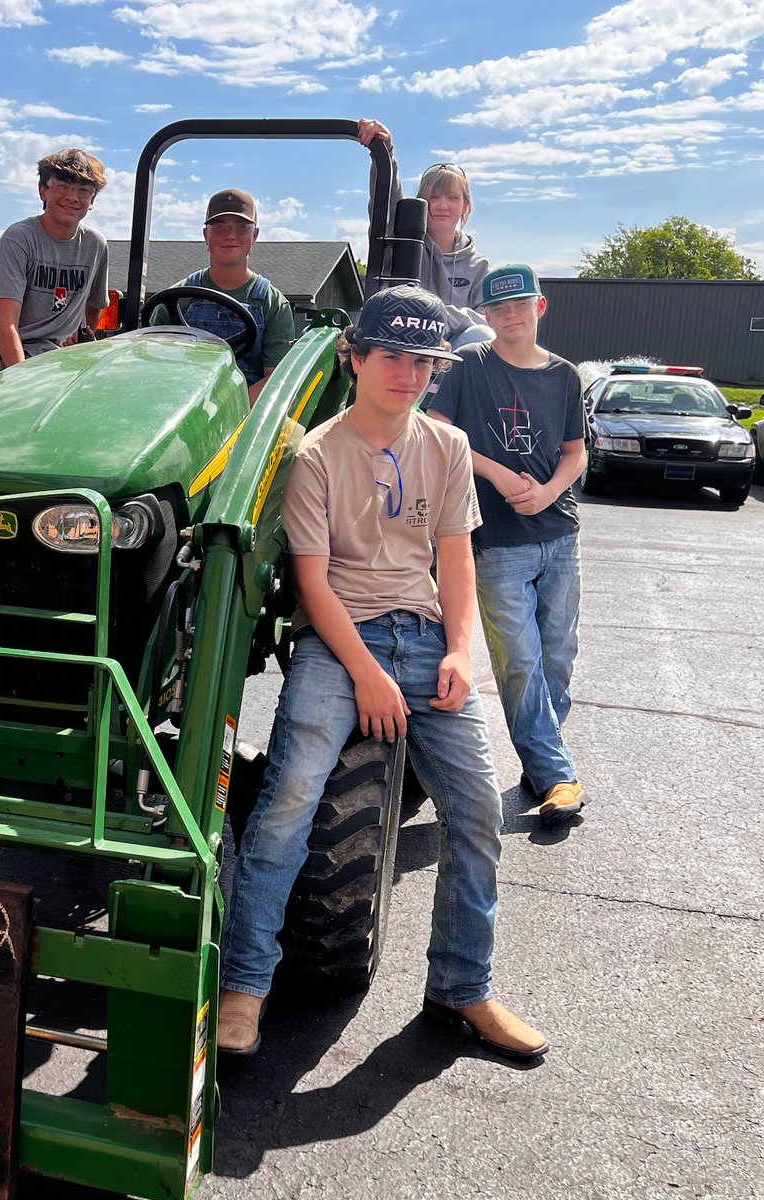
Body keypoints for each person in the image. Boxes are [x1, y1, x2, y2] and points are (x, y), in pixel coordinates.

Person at [218, 282, 548, 1063]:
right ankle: (244, 985)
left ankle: (462, 988)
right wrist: (366, 673)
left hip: (425, 636)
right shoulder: (315, 453)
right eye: (393, 356)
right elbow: (311, 580)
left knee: (478, 811)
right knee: (289, 800)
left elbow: (455, 560)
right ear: (356, 358)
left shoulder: (448, 447)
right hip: (340, 642)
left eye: (423, 361)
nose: (409, 373)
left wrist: (461, 651)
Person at [426, 264, 588, 827]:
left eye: (520, 304)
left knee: (558, 656)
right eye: (498, 308)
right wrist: (495, 473)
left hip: (559, 533)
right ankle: (557, 774)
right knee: (519, 661)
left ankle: (541, 763)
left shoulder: (564, 375)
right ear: (486, 314)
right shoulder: (469, 365)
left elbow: (575, 452)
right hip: (496, 540)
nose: (510, 315)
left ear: (539, 307)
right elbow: (438, 432)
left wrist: (548, 492)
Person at [357, 119, 494, 349]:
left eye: (452, 197)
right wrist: (386, 152)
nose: (442, 205)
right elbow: (387, 208)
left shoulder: (479, 267)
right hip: (401, 342)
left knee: (482, 334)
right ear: (420, 204)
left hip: (453, 353)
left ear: (466, 206)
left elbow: (488, 317)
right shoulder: (402, 245)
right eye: (433, 197)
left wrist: (436, 317)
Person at [148, 188, 295, 404]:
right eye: (218, 226)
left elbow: (274, 379)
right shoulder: (175, 300)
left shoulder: (272, 304)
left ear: (255, 235)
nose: (230, 234)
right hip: (181, 405)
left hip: (246, 412)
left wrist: (223, 411)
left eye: (242, 226)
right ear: (205, 235)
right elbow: (155, 368)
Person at [0, 148, 110, 367]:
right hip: (9, 354)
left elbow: (95, 305)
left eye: (83, 190)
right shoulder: (20, 238)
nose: (72, 197)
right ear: (43, 191)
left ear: (92, 199)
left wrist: (80, 341)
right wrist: (21, 378)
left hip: (59, 359)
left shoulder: (95, 244)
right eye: (62, 187)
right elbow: (6, 323)